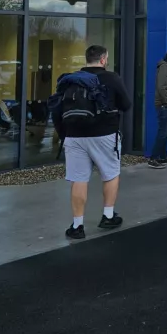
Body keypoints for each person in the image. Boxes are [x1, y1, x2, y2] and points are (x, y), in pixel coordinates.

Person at [60, 45, 131, 240]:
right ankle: (108, 216)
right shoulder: (112, 78)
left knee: (78, 179)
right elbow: (126, 104)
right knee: (110, 173)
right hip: (104, 134)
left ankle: (77, 225)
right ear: (102, 59)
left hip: (74, 135)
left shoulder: (72, 79)